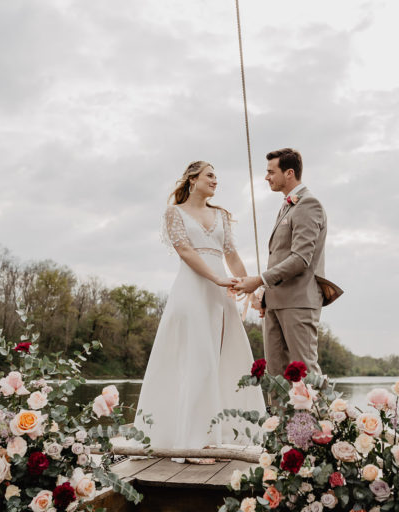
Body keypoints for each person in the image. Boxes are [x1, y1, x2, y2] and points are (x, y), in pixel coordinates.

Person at [133, 160, 265, 463]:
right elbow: (186, 251)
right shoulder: (174, 213)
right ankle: (194, 441)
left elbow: (232, 256)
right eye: (210, 175)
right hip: (192, 291)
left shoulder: (221, 215)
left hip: (221, 296)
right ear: (192, 179)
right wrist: (216, 277)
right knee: (198, 359)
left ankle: (233, 434)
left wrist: (251, 290)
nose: (215, 181)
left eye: (217, 176)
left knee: (229, 358)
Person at [234, 148, 342, 378]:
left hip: (299, 301)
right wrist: (265, 293)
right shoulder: (287, 205)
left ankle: (315, 415)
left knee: (305, 372)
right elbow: (280, 256)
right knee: (276, 376)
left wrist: (259, 280)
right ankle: (279, 416)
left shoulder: (308, 205)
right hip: (274, 302)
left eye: (271, 172)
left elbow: (301, 259)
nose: (267, 177)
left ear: (289, 173)